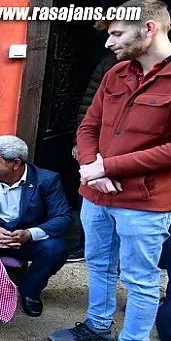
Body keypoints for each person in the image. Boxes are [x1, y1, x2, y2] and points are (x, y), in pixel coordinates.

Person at [48, 0, 171, 341]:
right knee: (98, 264)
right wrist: (91, 169)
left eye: (117, 33)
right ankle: (99, 324)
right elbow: (88, 126)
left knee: (140, 279)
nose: (108, 42)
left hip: (145, 201)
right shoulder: (116, 72)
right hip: (97, 195)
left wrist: (110, 166)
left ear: (149, 29)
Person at [0, 135, 73, 317]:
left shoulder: (46, 180)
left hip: (25, 241)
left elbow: (63, 217)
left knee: (55, 248)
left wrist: (29, 234)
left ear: (16, 163)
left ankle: (30, 291)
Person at [68, 50, 118, 262]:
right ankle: (85, 244)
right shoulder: (109, 63)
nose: (110, 42)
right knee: (89, 191)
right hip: (98, 143)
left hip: (137, 152)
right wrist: (79, 143)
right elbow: (89, 106)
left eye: (117, 33)